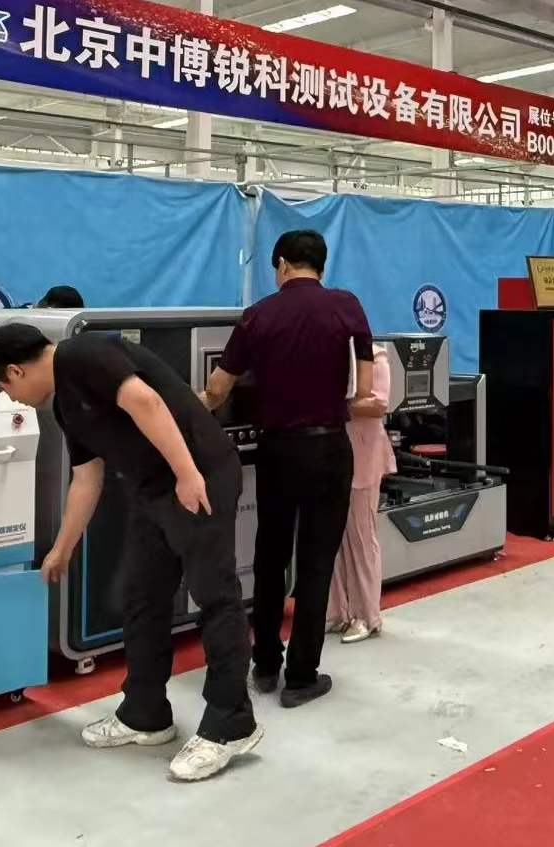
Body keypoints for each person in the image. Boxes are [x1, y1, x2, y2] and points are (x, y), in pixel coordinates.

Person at [0, 323, 261, 782]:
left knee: (214, 597)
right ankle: (145, 713)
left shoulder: (84, 353)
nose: (13, 400)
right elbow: (87, 479)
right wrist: (62, 549)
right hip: (152, 491)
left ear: (14, 371)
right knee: (142, 597)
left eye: (4, 389)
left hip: (199, 475)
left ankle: (231, 724)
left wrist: (187, 474)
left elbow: (147, 402)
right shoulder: (65, 405)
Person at [203, 229, 374, 709]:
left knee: (270, 557)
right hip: (329, 447)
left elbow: (217, 388)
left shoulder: (258, 314)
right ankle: (301, 677)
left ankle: (264, 664)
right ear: (321, 265)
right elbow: (364, 388)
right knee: (317, 563)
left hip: (277, 449)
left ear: (281, 264)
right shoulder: (347, 306)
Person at [326, 344, 397, 643]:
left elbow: (379, 405)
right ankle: (336, 612)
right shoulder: (327, 351)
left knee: (361, 536)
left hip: (363, 456)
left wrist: (329, 403)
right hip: (330, 454)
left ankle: (367, 616)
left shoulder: (375, 355)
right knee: (331, 537)